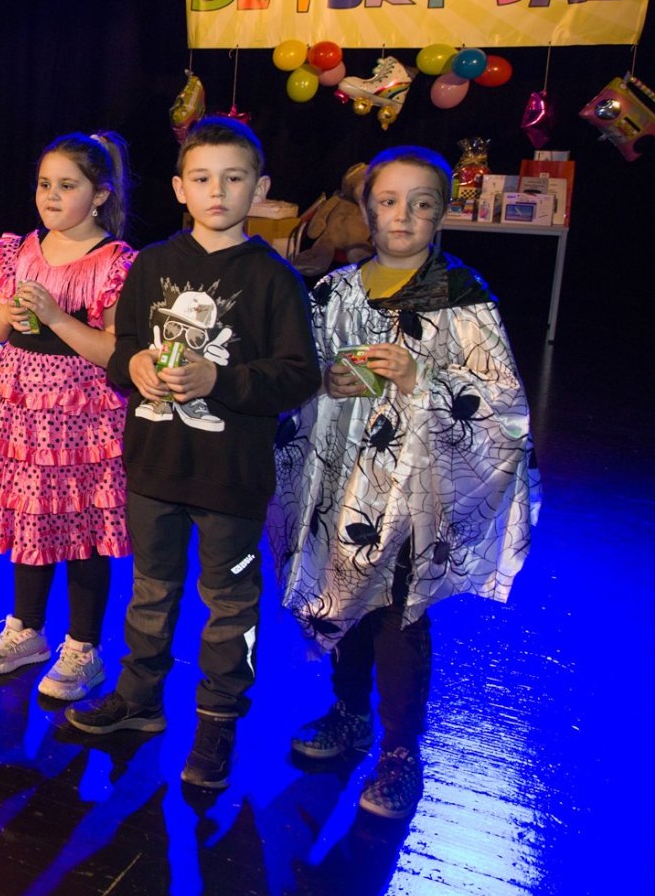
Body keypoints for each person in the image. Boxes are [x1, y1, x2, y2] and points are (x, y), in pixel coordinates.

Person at [267, 146, 537, 818]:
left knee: (398, 611)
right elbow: (297, 375)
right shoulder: (334, 292)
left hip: (418, 489)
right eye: (388, 201)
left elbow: (500, 403)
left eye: (421, 203)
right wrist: (323, 382)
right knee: (344, 594)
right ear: (366, 209)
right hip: (344, 483)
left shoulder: (462, 297)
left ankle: (400, 750)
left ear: (442, 212)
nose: (403, 216)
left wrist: (420, 378)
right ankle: (349, 711)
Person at [67, 117, 321, 792]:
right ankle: (139, 698)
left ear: (259, 189)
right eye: (203, 178)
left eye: (234, 179)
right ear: (180, 188)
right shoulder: (152, 263)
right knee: (150, 590)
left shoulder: (275, 278)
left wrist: (220, 380)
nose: (218, 191)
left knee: (230, 600)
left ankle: (218, 717)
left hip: (230, 476)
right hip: (153, 466)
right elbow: (124, 349)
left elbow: (298, 375)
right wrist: (135, 366)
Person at [0, 133, 137, 701]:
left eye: (67, 185)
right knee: (30, 517)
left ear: (100, 194)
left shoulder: (113, 261)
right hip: (22, 405)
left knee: (84, 528)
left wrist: (57, 316)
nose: (51, 196)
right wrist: (8, 315)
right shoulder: (21, 250)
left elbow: (113, 352)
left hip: (80, 412)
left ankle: (83, 647)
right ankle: (26, 629)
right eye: (45, 184)